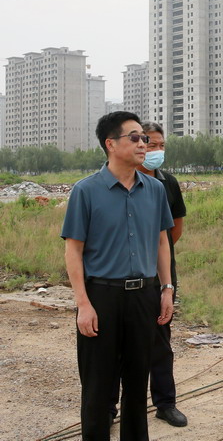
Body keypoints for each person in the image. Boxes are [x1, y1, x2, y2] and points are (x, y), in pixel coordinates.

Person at [62, 111, 174, 440]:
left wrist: (166, 289)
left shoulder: (154, 190)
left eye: (145, 138)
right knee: (98, 386)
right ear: (111, 144)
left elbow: (162, 241)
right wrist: (83, 304)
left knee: (138, 384)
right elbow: (73, 251)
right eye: (135, 138)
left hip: (143, 296)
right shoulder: (86, 191)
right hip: (102, 296)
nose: (144, 144)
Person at [109, 121, 188, 427]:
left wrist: (158, 258)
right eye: (149, 143)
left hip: (159, 274)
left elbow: (173, 229)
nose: (153, 150)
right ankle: (109, 406)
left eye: (160, 145)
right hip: (122, 275)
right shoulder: (113, 182)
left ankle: (165, 403)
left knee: (160, 338)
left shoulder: (167, 183)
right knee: (116, 342)